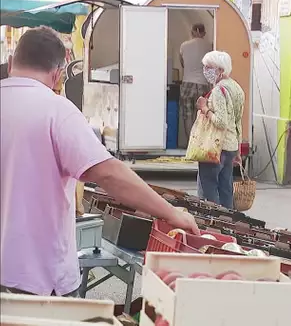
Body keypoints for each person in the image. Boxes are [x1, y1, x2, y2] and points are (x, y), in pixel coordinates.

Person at [0, 27, 200, 297]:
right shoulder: (56, 110)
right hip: (37, 282)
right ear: (58, 75)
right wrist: (172, 213)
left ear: (11, 62)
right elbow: (109, 174)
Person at [195, 51, 244, 209]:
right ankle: (227, 221)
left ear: (220, 70)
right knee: (225, 189)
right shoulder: (237, 88)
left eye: (209, 67)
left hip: (215, 147)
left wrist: (204, 108)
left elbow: (221, 122)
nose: (205, 71)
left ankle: (212, 221)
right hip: (230, 146)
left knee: (208, 190)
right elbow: (237, 121)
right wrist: (238, 148)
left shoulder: (218, 91)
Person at [179, 23, 213, 146]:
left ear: (192, 32)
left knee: (187, 115)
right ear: (204, 33)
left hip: (187, 83)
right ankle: (200, 144)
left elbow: (182, 63)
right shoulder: (210, 46)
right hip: (203, 85)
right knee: (202, 114)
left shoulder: (184, 46)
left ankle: (190, 144)